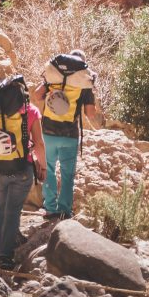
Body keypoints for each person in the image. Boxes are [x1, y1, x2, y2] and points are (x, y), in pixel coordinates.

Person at [0, 78, 47, 269]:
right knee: (13, 210)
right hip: (21, 168)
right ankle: (5, 255)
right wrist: (43, 166)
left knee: (1, 206)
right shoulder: (31, 112)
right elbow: (39, 144)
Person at [34, 49, 104, 220]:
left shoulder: (54, 76)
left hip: (48, 131)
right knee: (67, 173)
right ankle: (64, 210)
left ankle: (50, 208)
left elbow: (37, 95)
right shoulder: (84, 83)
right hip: (69, 134)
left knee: (48, 169)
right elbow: (90, 113)